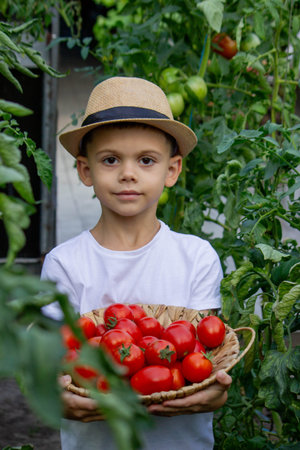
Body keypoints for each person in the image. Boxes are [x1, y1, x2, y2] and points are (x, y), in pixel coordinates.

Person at [41, 76, 232, 450]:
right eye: (110, 159)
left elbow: (206, 359)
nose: (128, 173)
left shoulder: (196, 257)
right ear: (85, 171)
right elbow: (51, 364)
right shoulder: (64, 263)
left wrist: (217, 395)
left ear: (172, 171)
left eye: (146, 160)